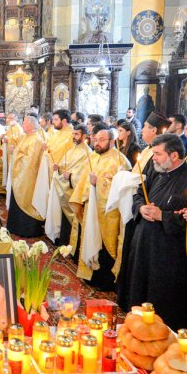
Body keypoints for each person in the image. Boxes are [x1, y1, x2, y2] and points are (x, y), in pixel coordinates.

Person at [118, 134, 187, 329]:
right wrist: (141, 207)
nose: (154, 158)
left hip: (169, 253)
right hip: (144, 243)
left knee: (162, 300)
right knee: (138, 289)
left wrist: (163, 216)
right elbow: (139, 194)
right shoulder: (157, 171)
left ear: (174, 155)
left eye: (158, 154)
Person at [73, 124, 133, 290]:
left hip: (108, 215)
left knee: (106, 247)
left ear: (112, 141)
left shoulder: (120, 161)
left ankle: (104, 281)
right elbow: (83, 181)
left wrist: (98, 183)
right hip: (90, 208)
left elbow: (120, 191)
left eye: (101, 140)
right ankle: (89, 273)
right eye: (95, 139)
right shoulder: (93, 157)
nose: (97, 143)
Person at [7, 114, 47, 238]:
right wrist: (15, 151)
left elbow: (31, 161)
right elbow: (21, 152)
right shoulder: (26, 137)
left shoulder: (36, 139)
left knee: (26, 200)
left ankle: (27, 229)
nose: (22, 124)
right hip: (20, 175)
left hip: (28, 176)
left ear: (30, 125)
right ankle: (15, 226)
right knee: (17, 199)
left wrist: (16, 154)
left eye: (24, 122)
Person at [54, 124, 93, 249]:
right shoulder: (72, 149)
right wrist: (58, 167)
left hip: (73, 191)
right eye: (73, 133)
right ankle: (64, 242)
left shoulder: (88, 152)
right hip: (65, 187)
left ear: (84, 136)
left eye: (76, 134)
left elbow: (83, 173)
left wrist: (71, 176)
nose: (73, 136)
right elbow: (65, 164)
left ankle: (72, 246)